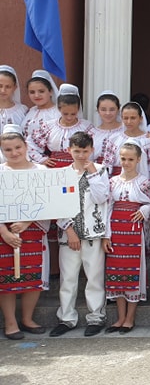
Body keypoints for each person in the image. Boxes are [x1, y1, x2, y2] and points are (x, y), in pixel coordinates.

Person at [49, 131, 110, 337]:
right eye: (77, 151)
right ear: (69, 150)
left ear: (91, 150)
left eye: (85, 151)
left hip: (93, 233)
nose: (81, 155)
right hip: (69, 236)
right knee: (68, 279)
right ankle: (66, 318)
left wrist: (92, 173)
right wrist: (69, 230)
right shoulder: (63, 174)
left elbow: (102, 198)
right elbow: (57, 205)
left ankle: (96, 317)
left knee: (94, 278)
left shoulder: (100, 170)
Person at [0, 124, 49, 339]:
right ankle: (10, 323)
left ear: (26, 146)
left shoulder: (40, 171)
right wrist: (4, 232)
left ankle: (28, 318)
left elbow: (48, 201)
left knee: (33, 275)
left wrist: (27, 222)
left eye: (18, 147)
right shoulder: (1, 172)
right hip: (5, 231)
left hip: (33, 229)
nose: (14, 153)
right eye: (8, 150)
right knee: (6, 278)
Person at [103, 142, 150, 333]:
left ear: (138, 159)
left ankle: (130, 317)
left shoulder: (144, 182)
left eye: (131, 159)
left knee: (132, 273)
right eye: (123, 159)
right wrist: (106, 235)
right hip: (115, 231)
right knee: (116, 273)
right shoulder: (113, 181)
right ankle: (120, 317)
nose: (126, 162)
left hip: (133, 232)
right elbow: (107, 208)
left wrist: (145, 210)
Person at [27, 86, 92, 167]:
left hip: (80, 166)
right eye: (65, 114)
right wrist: (41, 159)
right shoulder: (49, 126)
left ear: (78, 110)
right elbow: (30, 144)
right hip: (55, 167)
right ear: (59, 108)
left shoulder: (86, 127)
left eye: (73, 114)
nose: (69, 117)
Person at [109, 102, 150, 180]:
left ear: (140, 118)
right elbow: (107, 165)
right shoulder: (114, 139)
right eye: (126, 118)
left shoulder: (148, 141)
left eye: (133, 118)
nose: (129, 122)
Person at [21, 70, 59, 139]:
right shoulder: (30, 111)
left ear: (50, 92)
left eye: (41, 91)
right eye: (32, 92)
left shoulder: (58, 113)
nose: (36, 95)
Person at [90, 92, 123, 169]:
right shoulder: (92, 133)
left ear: (118, 110)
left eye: (112, 109)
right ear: (98, 110)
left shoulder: (126, 131)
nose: (108, 113)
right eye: (103, 109)